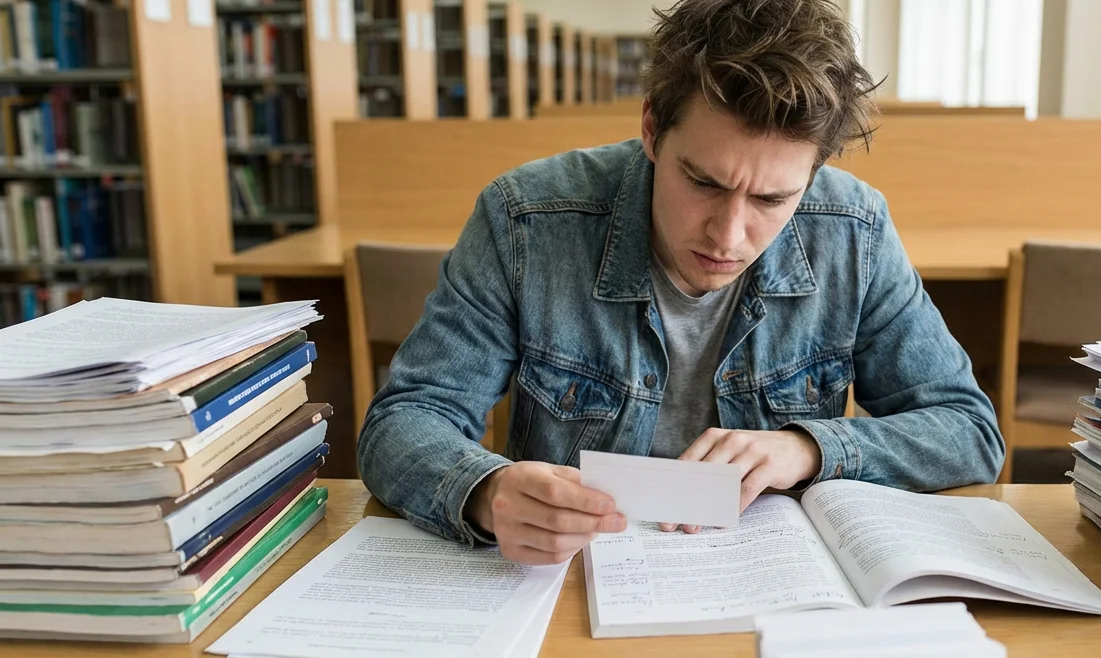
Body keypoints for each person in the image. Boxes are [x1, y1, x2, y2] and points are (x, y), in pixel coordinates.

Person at [358, 0, 1004, 565]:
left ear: (813, 175)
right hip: (564, 585)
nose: (728, 236)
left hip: (771, 586)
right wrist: (486, 492)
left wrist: (807, 449)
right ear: (650, 129)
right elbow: (404, 421)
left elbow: (967, 431)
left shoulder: (853, 231)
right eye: (703, 183)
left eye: (772, 199)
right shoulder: (525, 219)